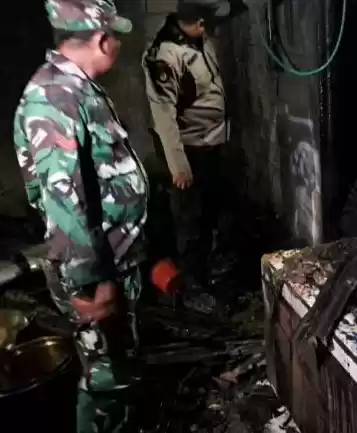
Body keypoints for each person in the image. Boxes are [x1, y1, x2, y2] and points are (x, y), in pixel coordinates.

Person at [13, 1, 148, 432]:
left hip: (113, 259)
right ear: (102, 40)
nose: (119, 45)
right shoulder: (56, 97)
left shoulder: (76, 88)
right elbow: (65, 201)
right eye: (116, 37)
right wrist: (93, 282)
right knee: (106, 380)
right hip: (95, 269)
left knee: (118, 369)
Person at [142, 0, 230, 297]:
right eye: (207, 22)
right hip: (187, 148)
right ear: (199, 22)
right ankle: (191, 283)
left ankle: (207, 266)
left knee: (210, 208)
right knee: (189, 216)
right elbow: (163, 115)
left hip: (208, 141)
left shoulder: (197, 39)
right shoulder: (165, 56)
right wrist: (178, 166)